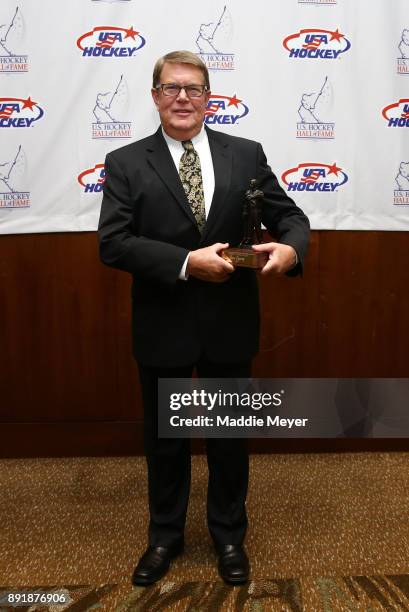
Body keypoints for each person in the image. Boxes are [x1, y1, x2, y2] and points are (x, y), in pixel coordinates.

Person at [98, 50, 310, 586]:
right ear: (154, 98)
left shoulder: (246, 153)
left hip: (230, 323)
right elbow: (114, 244)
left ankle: (229, 535)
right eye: (171, 88)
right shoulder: (125, 162)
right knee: (165, 441)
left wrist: (290, 251)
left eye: (193, 89)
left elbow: (290, 217)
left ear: (209, 97)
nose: (182, 98)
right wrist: (185, 264)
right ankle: (164, 536)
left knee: (227, 439)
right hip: (163, 323)